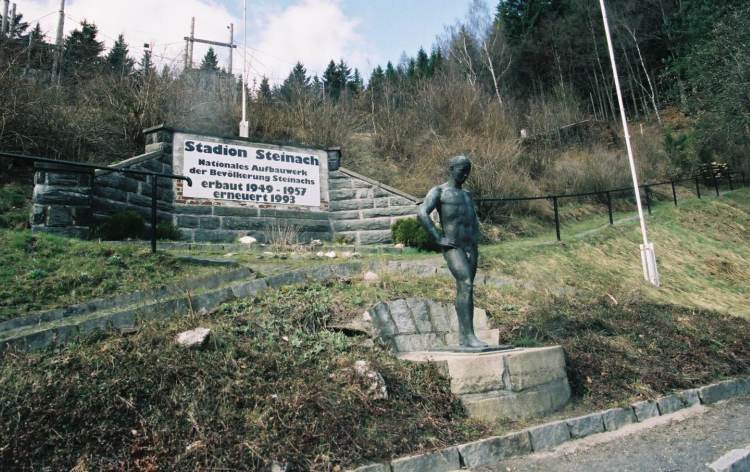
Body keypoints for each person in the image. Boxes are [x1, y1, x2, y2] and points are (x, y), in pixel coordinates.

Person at [418, 155, 487, 348]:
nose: (465, 174)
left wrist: (476, 240)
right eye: (462, 170)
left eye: (468, 171)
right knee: (466, 284)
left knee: (465, 288)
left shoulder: (467, 195)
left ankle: (465, 337)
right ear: (451, 168)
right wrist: (438, 237)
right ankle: (470, 336)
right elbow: (422, 213)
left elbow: (471, 220)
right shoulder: (439, 191)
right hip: (453, 246)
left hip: (471, 247)